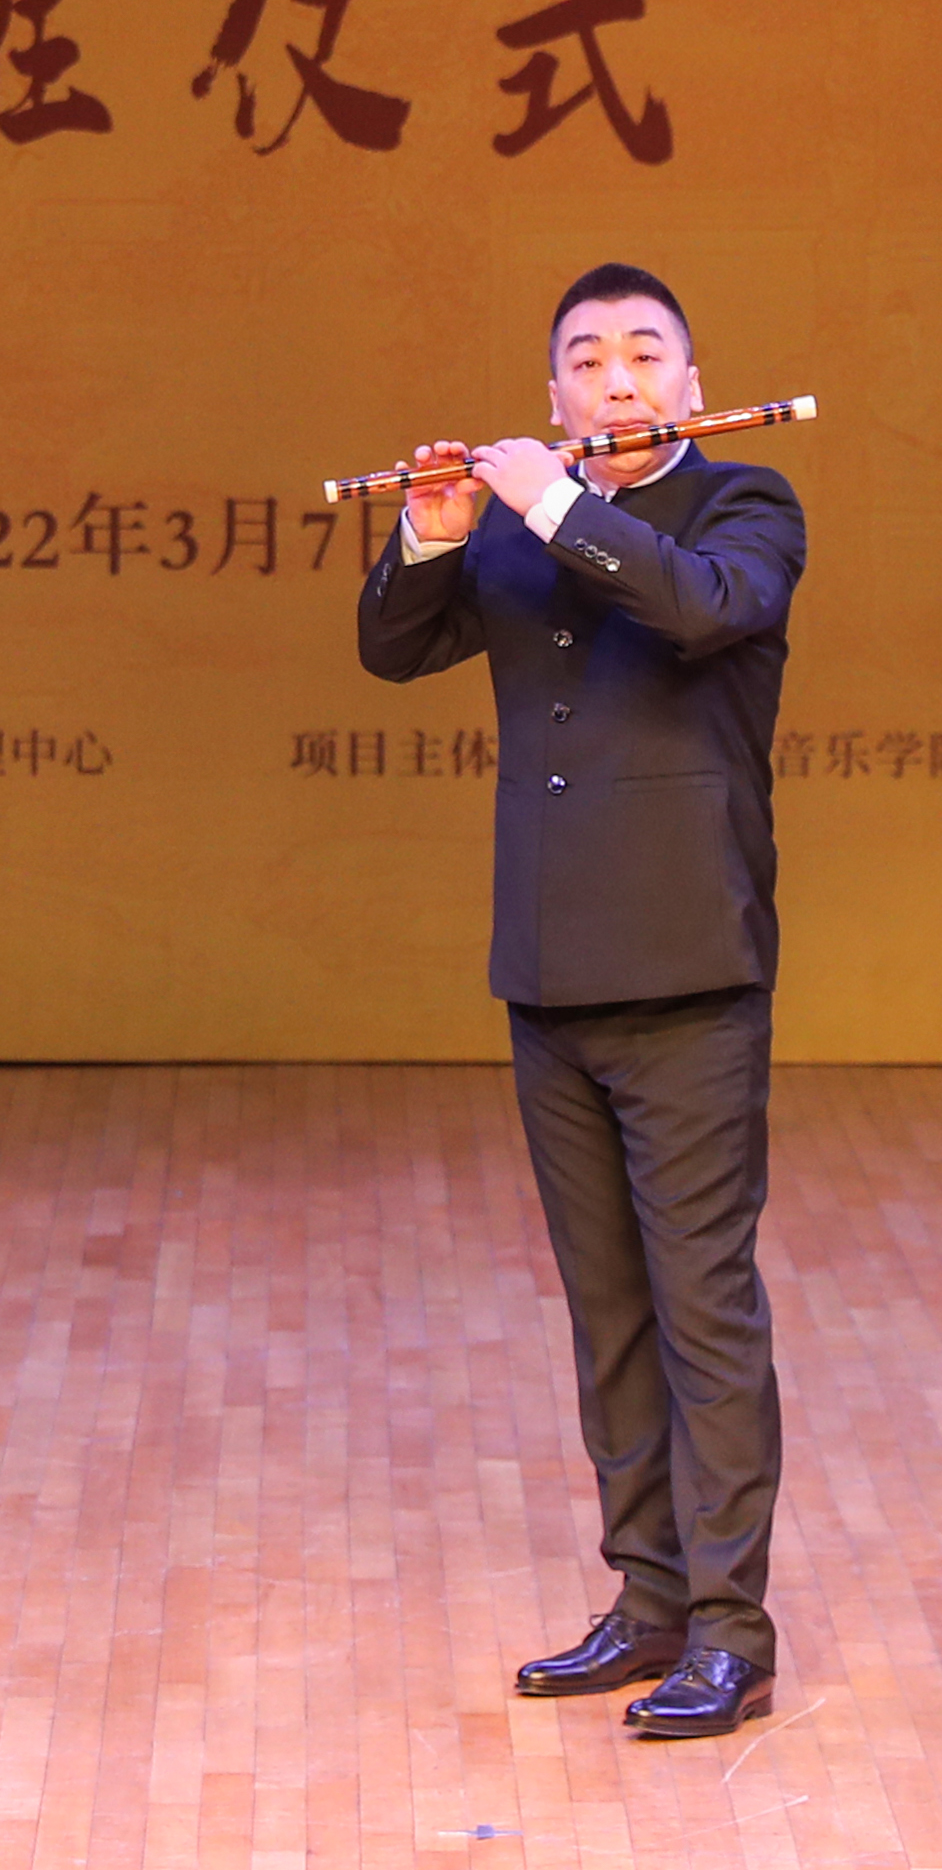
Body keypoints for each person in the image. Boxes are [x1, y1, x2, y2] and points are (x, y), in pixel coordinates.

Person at [356, 265, 807, 1740]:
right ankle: (649, 1597)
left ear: (689, 383)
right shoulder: (514, 520)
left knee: (702, 1308)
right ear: (550, 392)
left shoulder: (743, 507)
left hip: (687, 971)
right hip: (548, 973)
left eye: (643, 355)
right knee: (607, 1312)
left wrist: (551, 504)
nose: (616, 380)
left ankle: (731, 1631)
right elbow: (394, 646)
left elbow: (696, 608)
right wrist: (433, 530)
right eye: (587, 360)